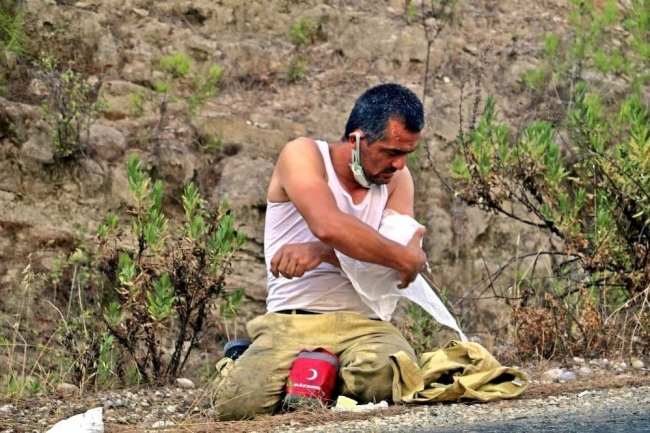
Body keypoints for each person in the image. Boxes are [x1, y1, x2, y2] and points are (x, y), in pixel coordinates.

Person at [212, 83, 427, 420]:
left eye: (406, 154)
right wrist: (403, 258)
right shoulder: (303, 155)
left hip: (365, 324)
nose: (399, 164)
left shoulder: (397, 180)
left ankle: (312, 379)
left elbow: (391, 271)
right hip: (293, 319)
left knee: (387, 377)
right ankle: (248, 363)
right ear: (357, 140)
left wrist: (326, 253)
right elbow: (328, 224)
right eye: (390, 152)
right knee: (237, 404)